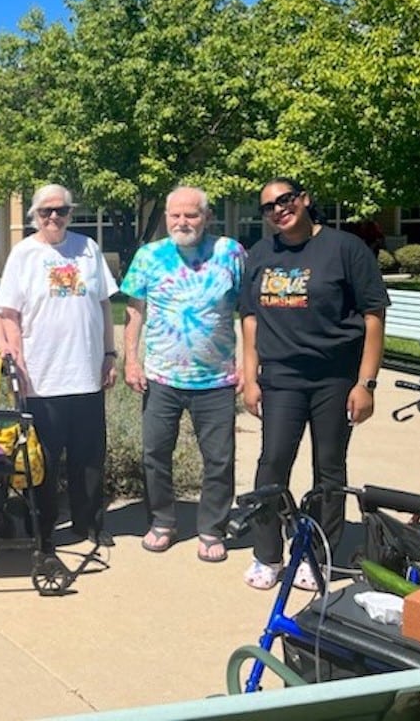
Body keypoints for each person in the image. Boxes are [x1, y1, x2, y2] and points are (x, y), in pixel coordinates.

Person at [240, 177, 388, 591]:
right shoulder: (260, 253)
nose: (278, 210)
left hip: (334, 379)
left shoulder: (345, 249)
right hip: (281, 379)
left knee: (329, 469)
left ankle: (315, 556)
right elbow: (250, 319)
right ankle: (267, 554)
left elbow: (374, 316)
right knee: (272, 464)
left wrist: (367, 383)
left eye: (285, 200)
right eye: (268, 206)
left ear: (304, 200)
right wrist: (250, 378)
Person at [0, 184, 119, 554]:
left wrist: (109, 354)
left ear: (70, 212)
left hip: (86, 375)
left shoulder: (88, 249)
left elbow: (103, 305)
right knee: (42, 460)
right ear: (34, 215)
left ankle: (89, 523)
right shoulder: (24, 254)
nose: (53, 217)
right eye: (46, 211)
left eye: (60, 210)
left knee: (89, 457)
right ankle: (42, 527)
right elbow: (9, 314)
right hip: (42, 379)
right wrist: (17, 361)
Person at [121, 186, 245, 563]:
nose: (182, 222)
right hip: (162, 378)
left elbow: (251, 311)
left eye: (191, 215)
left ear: (207, 217)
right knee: (155, 452)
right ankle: (162, 521)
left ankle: (211, 529)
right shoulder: (150, 255)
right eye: (175, 215)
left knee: (219, 459)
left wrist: (251, 365)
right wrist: (131, 359)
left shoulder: (230, 252)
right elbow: (134, 310)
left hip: (216, 380)